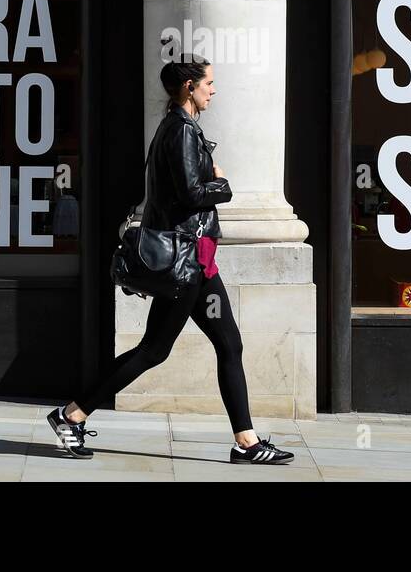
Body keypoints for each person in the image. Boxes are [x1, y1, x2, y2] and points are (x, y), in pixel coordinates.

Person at [46, 54, 293, 465]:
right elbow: (191, 195)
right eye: (208, 83)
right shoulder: (179, 131)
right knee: (153, 351)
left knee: (227, 343)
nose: (213, 90)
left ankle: (246, 442)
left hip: (198, 261)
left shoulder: (184, 129)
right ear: (188, 87)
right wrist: (221, 184)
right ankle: (71, 414)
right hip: (185, 264)